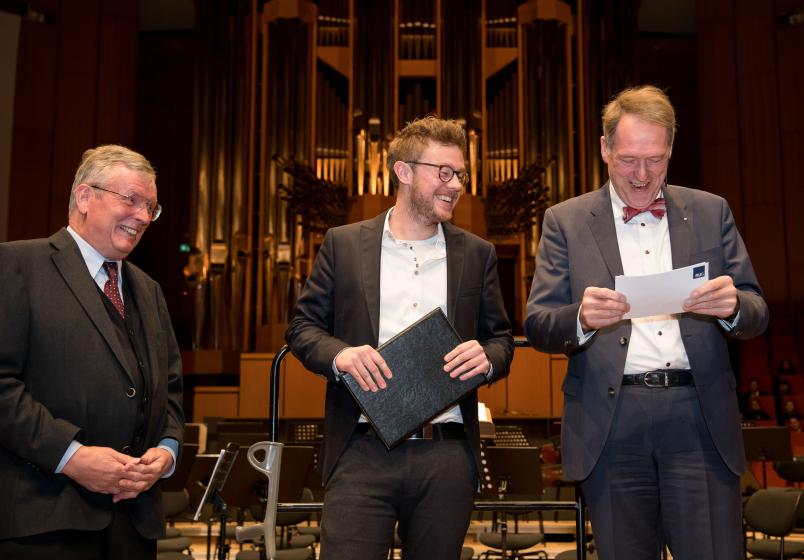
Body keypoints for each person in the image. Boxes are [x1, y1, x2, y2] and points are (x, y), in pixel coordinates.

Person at [524, 86, 768, 560]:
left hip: (697, 416)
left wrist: (733, 304)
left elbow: (757, 311)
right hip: (611, 422)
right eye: (629, 159)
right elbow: (537, 323)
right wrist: (581, 318)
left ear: (671, 150)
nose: (641, 175)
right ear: (604, 148)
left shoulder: (710, 210)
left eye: (655, 160)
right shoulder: (565, 221)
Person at [285, 116, 514, 559]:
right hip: (360, 449)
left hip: (445, 454)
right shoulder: (344, 244)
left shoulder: (478, 254)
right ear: (403, 171)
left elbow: (501, 339)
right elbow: (302, 328)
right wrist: (341, 356)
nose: (455, 184)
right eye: (443, 172)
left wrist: (487, 359)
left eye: (461, 174)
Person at [0, 145, 184, 559]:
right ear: (85, 197)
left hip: (133, 525)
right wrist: (71, 456)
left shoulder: (150, 291)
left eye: (150, 208)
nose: (141, 216)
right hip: (43, 521)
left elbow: (171, 393)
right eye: (131, 199)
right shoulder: (15, 266)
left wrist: (166, 453)